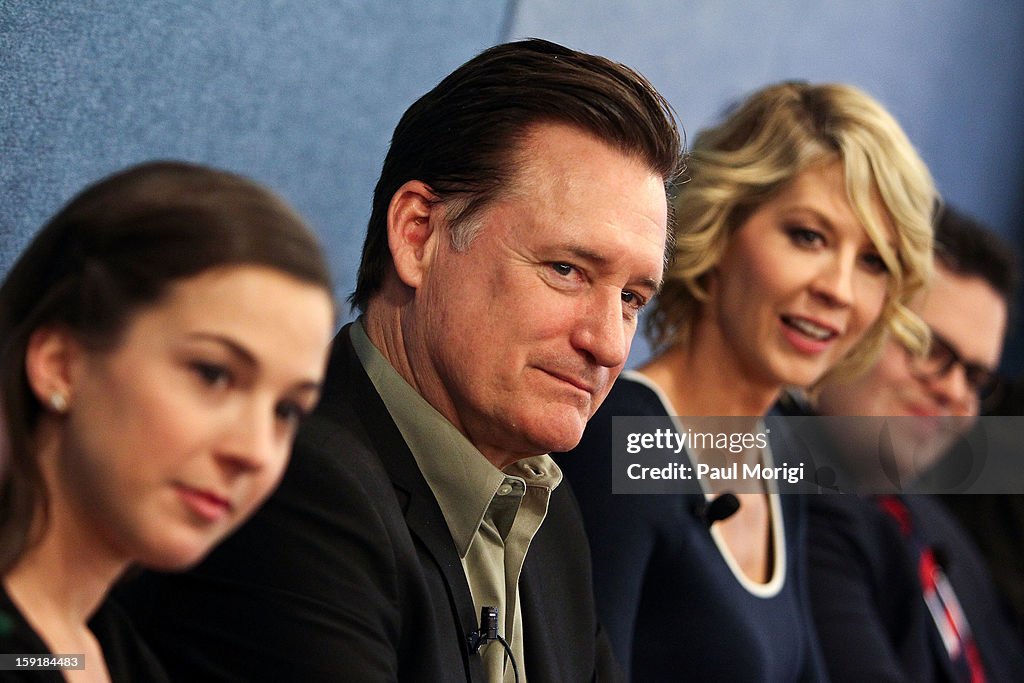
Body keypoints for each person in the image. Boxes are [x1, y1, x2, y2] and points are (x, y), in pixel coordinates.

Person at [120, 38, 683, 682]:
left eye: (633, 298)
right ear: (419, 235)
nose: (609, 344)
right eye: (567, 269)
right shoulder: (296, 487)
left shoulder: (547, 517)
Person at [558, 81, 937, 681]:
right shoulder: (623, 441)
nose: (838, 289)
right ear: (721, 226)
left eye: (873, 262)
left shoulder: (782, 442)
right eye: (809, 236)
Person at [0, 161, 336, 682]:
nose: (255, 452)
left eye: (286, 411)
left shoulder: (103, 654)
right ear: (60, 363)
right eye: (213, 374)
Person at [807, 205, 1024, 681]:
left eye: (975, 377)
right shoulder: (798, 514)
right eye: (928, 348)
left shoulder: (934, 525)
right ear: (849, 321)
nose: (953, 391)